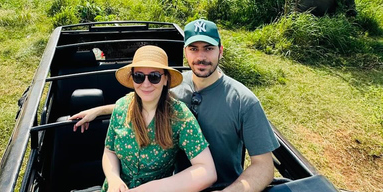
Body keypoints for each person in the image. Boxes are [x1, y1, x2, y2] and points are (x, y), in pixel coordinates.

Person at [71, 20, 279, 192]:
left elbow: (264, 167)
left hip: (223, 186)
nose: (201, 57)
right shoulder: (176, 86)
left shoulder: (243, 101)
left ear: (220, 51)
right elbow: (142, 101)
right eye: (193, 49)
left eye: (208, 48)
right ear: (185, 52)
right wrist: (99, 110)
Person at [101, 45, 216, 192]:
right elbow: (109, 151)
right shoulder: (121, 107)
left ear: (165, 79)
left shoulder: (179, 115)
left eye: (154, 76)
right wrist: (113, 179)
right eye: (139, 76)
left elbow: (207, 171)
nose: (146, 83)